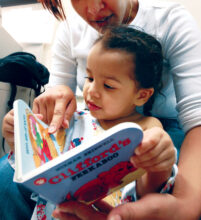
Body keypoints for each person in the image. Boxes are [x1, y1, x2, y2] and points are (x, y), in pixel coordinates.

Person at [1, 0, 201, 219]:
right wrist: (31, 130)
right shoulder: (70, 32)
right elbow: (57, 103)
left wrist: (185, 205)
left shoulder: (170, 21)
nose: (93, 8)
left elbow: (197, 119)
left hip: (166, 133)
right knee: (7, 177)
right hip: (93, 130)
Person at [8, 25, 177, 220]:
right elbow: (39, 167)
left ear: (142, 95)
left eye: (108, 85)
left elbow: (150, 185)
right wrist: (19, 138)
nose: (91, 91)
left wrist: (160, 160)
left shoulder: (145, 127)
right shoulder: (74, 119)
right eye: (89, 78)